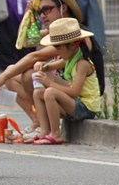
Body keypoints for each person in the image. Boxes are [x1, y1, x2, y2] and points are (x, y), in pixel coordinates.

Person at [0, 0, 104, 142]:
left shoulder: (75, 35)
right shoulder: (54, 33)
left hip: (78, 95)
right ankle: (38, 123)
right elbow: (24, 41)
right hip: (65, 86)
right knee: (13, 74)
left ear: (63, 8)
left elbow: (35, 56)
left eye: (47, 10)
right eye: (40, 11)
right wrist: (29, 13)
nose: (42, 15)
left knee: (30, 75)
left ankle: (48, 128)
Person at [30, 17, 103, 145]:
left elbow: (74, 92)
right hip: (75, 104)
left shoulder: (83, 64)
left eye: (58, 47)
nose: (56, 51)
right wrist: (43, 65)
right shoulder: (70, 58)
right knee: (38, 93)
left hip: (86, 108)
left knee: (50, 92)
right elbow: (54, 64)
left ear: (73, 44)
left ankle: (56, 134)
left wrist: (48, 82)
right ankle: (44, 131)